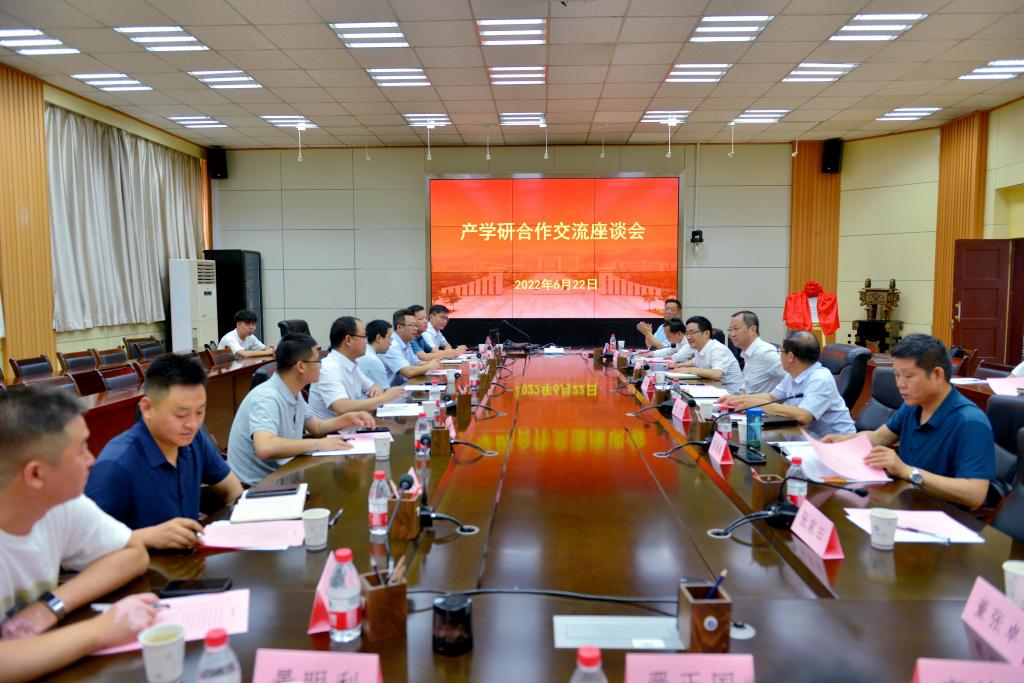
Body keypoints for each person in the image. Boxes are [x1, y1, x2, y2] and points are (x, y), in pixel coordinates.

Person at [0, 387, 157, 679]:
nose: (92, 459)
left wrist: (50, 606)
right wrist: (99, 631)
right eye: (81, 450)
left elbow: (133, 553)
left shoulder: (59, 503)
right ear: (36, 474)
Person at [86, 354, 244, 550]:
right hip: (143, 567)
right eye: (181, 414)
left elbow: (233, 490)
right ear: (147, 408)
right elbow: (84, 546)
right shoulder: (116, 465)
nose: (193, 424)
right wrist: (145, 537)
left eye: (199, 412)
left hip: (189, 561)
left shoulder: (194, 440)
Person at [823, 334, 994, 509]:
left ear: (937, 374)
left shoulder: (970, 422)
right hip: (907, 501)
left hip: (942, 514)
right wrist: (845, 440)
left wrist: (908, 472)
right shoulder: (914, 406)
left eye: (908, 376)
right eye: (897, 375)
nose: (900, 384)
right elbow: (879, 437)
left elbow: (975, 494)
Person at [227, 334, 375, 486]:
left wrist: (348, 418)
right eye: (317, 361)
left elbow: (317, 427)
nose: (321, 366)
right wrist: (318, 444)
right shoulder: (267, 397)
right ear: (301, 366)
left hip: (286, 474)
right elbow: (265, 447)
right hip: (257, 487)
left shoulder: (293, 391)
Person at [722, 330, 855, 438]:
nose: (779, 355)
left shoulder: (820, 379)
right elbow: (772, 397)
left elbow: (804, 415)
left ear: (790, 356)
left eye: (780, 351)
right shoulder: (793, 373)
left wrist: (760, 405)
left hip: (836, 444)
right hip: (804, 435)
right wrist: (739, 400)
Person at [308, 317, 405, 420]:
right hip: (336, 430)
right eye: (363, 337)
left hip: (354, 426)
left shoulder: (351, 364)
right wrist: (384, 398)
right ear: (348, 340)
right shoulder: (329, 368)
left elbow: (375, 387)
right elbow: (342, 407)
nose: (366, 342)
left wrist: (377, 391)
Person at [673, 316, 743, 393]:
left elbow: (717, 374)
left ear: (706, 333)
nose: (688, 337)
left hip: (730, 393)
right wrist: (679, 365)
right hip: (713, 389)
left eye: (692, 332)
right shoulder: (699, 348)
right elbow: (695, 361)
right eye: (687, 333)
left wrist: (690, 370)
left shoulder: (717, 349)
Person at [727, 310, 785, 394]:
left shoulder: (765, 353)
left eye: (736, 329)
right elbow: (748, 385)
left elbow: (791, 377)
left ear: (752, 330)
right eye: (730, 330)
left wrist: (776, 398)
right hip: (747, 400)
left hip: (763, 402)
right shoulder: (747, 353)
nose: (732, 334)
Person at [382, 308, 442, 386]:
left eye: (415, 325)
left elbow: (416, 363)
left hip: (405, 386)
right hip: (391, 391)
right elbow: (408, 372)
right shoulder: (392, 345)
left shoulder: (407, 342)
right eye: (412, 325)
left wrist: (433, 363)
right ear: (399, 328)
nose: (415, 329)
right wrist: (430, 366)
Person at [358, 319, 395, 388]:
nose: (391, 343)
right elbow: (385, 393)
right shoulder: (373, 360)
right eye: (389, 337)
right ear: (379, 338)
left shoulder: (365, 353)